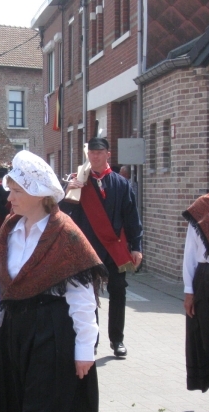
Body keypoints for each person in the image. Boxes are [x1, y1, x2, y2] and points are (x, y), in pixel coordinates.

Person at [0, 150, 104, 412]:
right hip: (15, 334)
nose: (10, 198)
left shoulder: (65, 234)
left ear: (37, 193)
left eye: (17, 191)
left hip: (51, 332)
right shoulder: (10, 229)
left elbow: (82, 298)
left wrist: (85, 348)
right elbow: (3, 287)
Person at [61, 137, 143, 358]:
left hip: (114, 249)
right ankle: (91, 340)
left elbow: (132, 218)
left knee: (118, 292)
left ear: (108, 154)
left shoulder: (121, 183)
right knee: (88, 296)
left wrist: (136, 246)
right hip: (86, 248)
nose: (95, 156)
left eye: (99, 153)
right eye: (91, 153)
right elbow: (59, 213)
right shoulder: (77, 181)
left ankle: (117, 340)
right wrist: (67, 191)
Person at [182, 140, 209, 412]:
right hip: (205, 280)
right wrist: (188, 289)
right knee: (208, 338)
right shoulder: (203, 206)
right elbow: (190, 251)